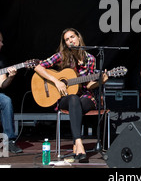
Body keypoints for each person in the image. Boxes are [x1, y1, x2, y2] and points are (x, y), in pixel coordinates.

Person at [34, 28, 107, 163]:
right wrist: (56, 82)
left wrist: (101, 80)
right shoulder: (62, 55)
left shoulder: (90, 58)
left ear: (78, 38)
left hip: (86, 96)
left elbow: (90, 85)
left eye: (72, 37)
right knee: (73, 99)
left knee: (78, 101)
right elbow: (38, 67)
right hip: (65, 97)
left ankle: (77, 144)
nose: (70, 41)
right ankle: (78, 143)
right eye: (67, 39)